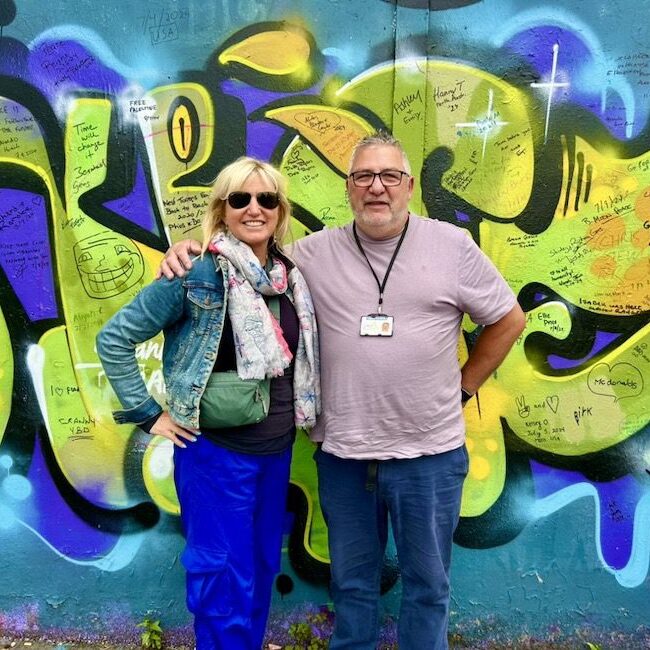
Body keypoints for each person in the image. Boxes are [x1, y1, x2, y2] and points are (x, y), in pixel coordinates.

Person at [158, 133, 526, 650]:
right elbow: (244, 258)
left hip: (429, 455)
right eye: (363, 177)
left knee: (428, 586)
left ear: (410, 186)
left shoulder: (453, 247)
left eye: (389, 176)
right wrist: (188, 250)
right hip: (345, 456)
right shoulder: (309, 256)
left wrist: (465, 389)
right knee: (352, 585)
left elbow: (508, 320)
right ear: (349, 188)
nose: (377, 187)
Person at [96, 157, 320, 650]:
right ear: (222, 209)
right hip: (215, 453)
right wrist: (148, 414)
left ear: (281, 211)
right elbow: (114, 339)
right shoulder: (193, 274)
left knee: (260, 567)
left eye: (267, 199)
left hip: (275, 449)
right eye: (240, 198)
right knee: (221, 576)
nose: (254, 208)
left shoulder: (290, 278)